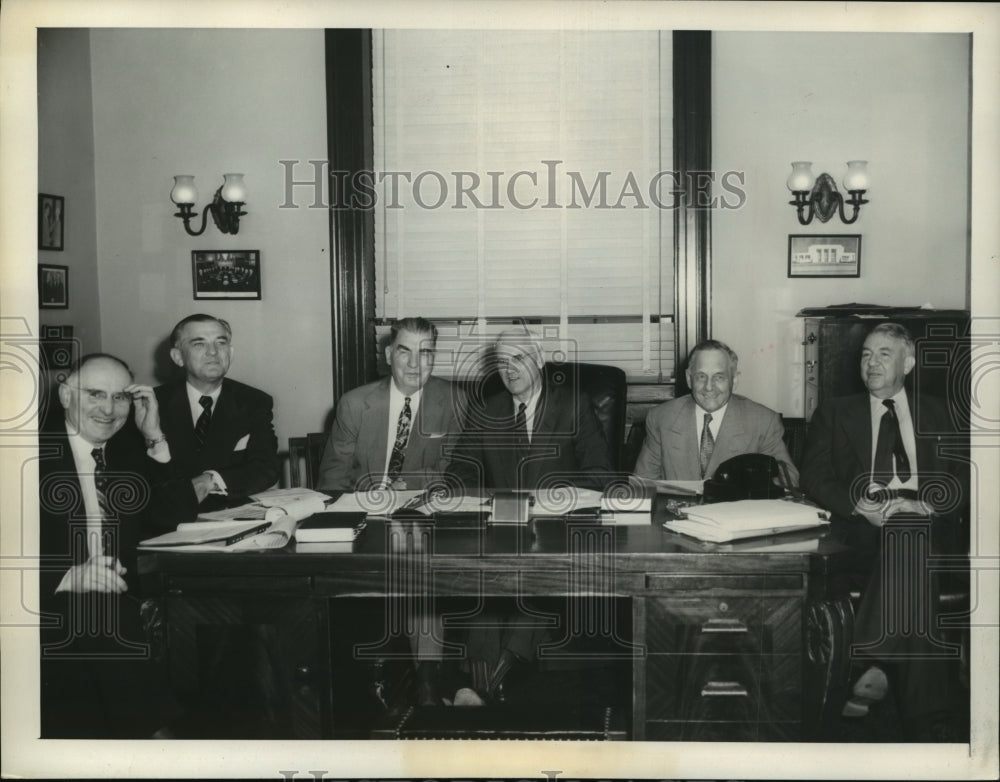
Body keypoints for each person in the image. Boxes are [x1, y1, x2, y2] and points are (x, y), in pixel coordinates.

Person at [800, 322, 968, 741]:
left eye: (884, 355)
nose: (871, 364)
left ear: (908, 363)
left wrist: (926, 504)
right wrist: (859, 505)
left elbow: (967, 476)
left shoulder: (941, 411)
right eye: (865, 355)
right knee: (906, 539)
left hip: (926, 523)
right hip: (861, 527)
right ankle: (927, 712)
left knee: (909, 528)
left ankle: (871, 661)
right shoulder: (835, 412)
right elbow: (814, 477)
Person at [445, 328, 615, 704]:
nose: (510, 370)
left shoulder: (572, 404)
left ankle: (477, 690)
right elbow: (459, 470)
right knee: (487, 587)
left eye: (519, 358)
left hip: (557, 535)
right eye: (502, 362)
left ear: (538, 359)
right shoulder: (488, 408)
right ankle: (488, 687)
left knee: (535, 584)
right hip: (502, 532)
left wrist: (555, 494)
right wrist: (480, 496)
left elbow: (601, 473)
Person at [38, 354, 183, 737]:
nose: (108, 409)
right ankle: (158, 742)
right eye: (95, 394)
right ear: (66, 394)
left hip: (123, 590)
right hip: (46, 598)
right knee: (98, 615)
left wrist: (154, 435)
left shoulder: (125, 450)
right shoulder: (23, 453)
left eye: (120, 397)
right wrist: (70, 575)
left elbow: (173, 515)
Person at [316, 316, 464, 492]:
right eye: (404, 352)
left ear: (433, 358)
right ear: (388, 355)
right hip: (362, 505)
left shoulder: (454, 401)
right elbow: (334, 479)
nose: (414, 363)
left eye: (424, 353)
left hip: (422, 506)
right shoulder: (354, 404)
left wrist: (408, 484)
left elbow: (454, 469)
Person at [155, 314, 279, 511]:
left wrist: (210, 480)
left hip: (231, 516)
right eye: (199, 343)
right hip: (167, 518)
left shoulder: (254, 401)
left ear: (230, 353)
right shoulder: (152, 404)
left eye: (221, 343)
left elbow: (266, 467)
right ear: (178, 357)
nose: (213, 352)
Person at [633, 338, 798, 484]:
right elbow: (642, 484)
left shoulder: (763, 421)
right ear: (689, 379)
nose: (709, 387)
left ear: (734, 379)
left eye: (719, 377)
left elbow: (788, 480)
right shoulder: (662, 418)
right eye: (701, 376)